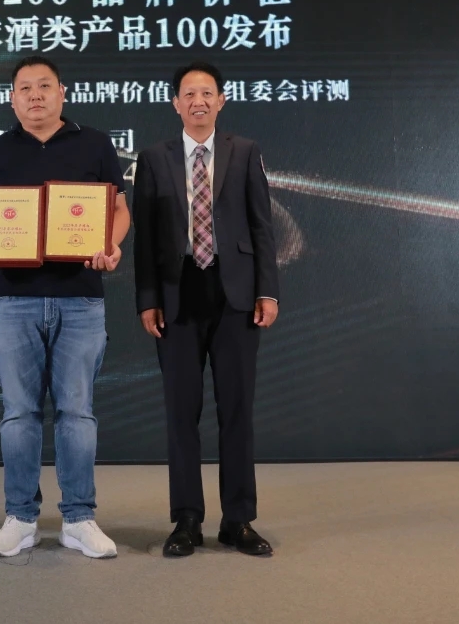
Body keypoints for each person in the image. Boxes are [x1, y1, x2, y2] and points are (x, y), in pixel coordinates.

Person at [0, 55, 130, 559]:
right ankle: (20, 517)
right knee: (18, 413)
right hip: (11, 298)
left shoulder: (95, 144)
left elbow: (118, 211)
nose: (35, 95)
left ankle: (79, 518)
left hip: (80, 298)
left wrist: (111, 245)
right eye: (25, 88)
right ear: (13, 99)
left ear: (62, 93)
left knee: (77, 412)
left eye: (44, 86)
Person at [133, 61, 280, 558]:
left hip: (235, 295)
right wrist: (148, 299)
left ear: (221, 100)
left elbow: (262, 227)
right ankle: (187, 520)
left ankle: (238, 520)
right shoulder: (154, 158)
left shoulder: (246, 152)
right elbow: (145, 239)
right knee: (182, 413)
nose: (198, 101)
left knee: (237, 410)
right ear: (175, 103)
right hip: (177, 297)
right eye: (189, 94)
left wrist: (267, 291)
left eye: (207, 93)